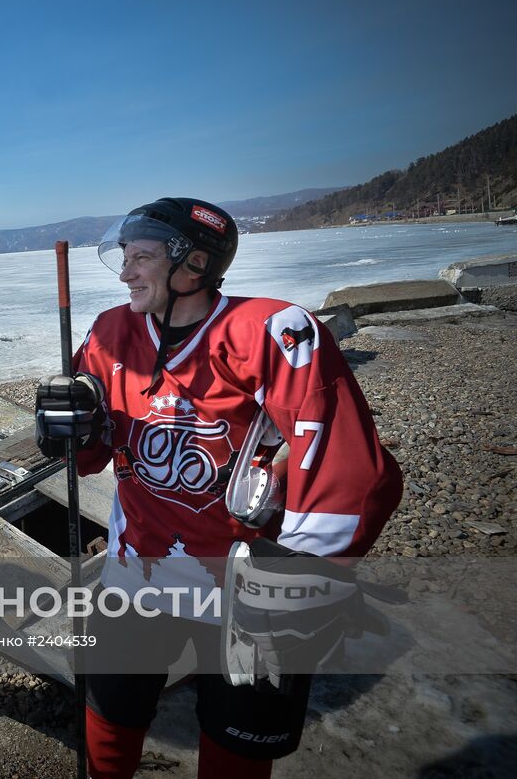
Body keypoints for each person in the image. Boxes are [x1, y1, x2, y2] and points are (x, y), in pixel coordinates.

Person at [35, 197, 402, 778]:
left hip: (243, 593)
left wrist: (302, 577)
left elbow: (350, 470)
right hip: (136, 575)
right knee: (107, 720)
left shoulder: (273, 333)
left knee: (237, 751)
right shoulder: (110, 333)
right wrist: (66, 429)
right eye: (124, 257)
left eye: (143, 257)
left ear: (195, 264)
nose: (126, 271)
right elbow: (95, 450)